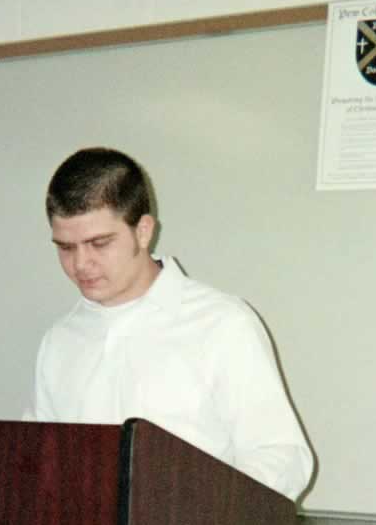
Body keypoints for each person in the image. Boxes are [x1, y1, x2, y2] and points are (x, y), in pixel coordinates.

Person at [29, 147, 314, 501]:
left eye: (99, 244)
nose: (81, 264)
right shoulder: (60, 340)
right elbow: (39, 463)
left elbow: (283, 459)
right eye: (66, 248)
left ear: (144, 231)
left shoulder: (222, 325)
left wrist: (194, 512)